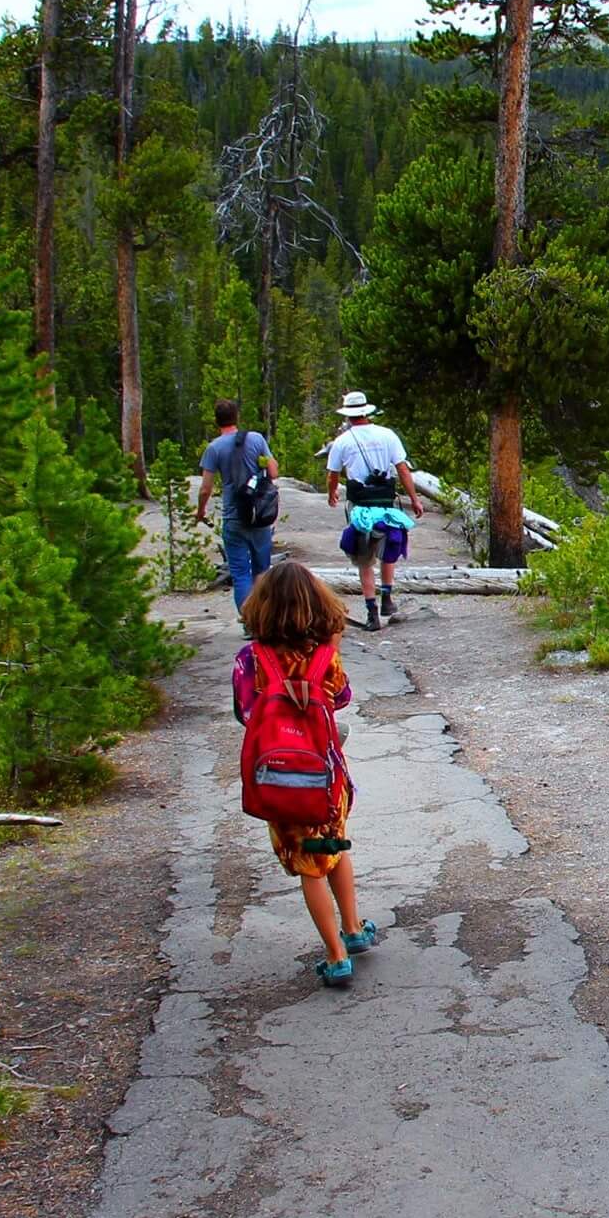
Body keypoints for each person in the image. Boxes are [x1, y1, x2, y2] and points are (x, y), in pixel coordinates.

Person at [234, 560, 379, 988]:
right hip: (326, 775)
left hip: (279, 778)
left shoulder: (250, 659)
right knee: (333, 844)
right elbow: (343, 697)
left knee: (308, 864)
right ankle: (352, 932)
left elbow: (245, 712)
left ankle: (335, 957)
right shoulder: (324, 659)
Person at [324, 390, 425, 632]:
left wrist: (332, 494)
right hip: (385, 501)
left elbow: (333, 474)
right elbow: (402, 469)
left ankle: (372, 613)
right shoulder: (387, 435)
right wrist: (414, 499)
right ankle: (387, 598)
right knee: (389, 548)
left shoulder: (342, 442)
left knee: (364, 559)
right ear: (367, 412)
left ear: (348, 415)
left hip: (360, 505)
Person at [196, 400, 280, 614]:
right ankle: (264, 617)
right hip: (260, 513)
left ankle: (247, 621)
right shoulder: (256, 439)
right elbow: (273, 472)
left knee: (240, 572)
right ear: (237, 417)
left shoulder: (213, 448)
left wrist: (200, 511)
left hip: (234, 516)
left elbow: (205, 488)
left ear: (216, 421)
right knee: (262, 569)